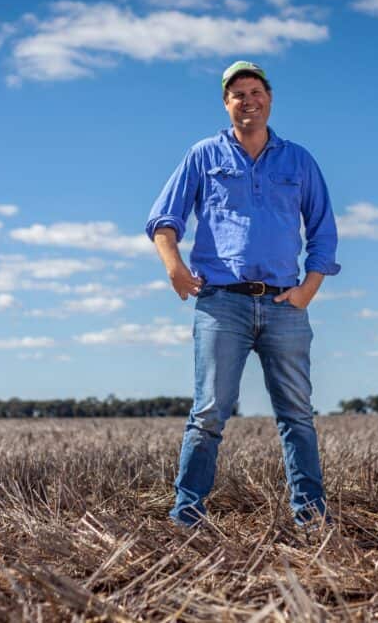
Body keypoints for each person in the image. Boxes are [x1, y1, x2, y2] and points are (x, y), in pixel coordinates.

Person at [145, 61, 341, 528]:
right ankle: (187, 515)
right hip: (221, 304)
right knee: (209, 413)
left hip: (283, 305)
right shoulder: (203, 155)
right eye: (238, 94)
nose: (248, 100)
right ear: (226, 103)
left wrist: (308, 289)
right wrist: (174, 267)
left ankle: (310, 516)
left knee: (297, 415)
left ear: (269, 99)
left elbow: (323, 231)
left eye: (255, 91)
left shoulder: (298, 161)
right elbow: (163, 220)